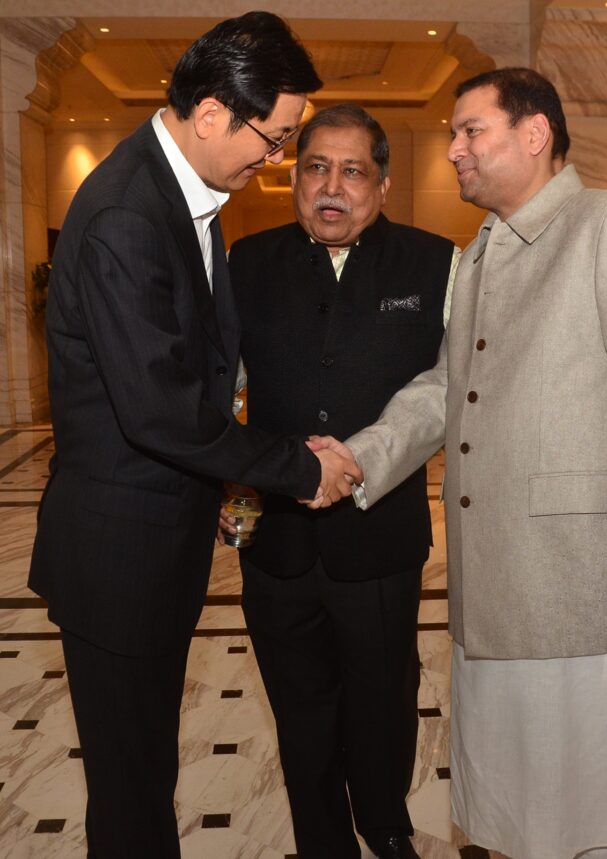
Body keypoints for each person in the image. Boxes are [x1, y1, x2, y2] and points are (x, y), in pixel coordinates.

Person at [323, 68, 607, 859]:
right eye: (452, 136)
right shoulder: (483, 253)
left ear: (534, 134)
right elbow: (448, 389)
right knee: (519, 807)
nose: (454, 152)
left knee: (584, 808)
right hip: (501, 590)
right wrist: (359, 459)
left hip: (590, 589)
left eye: (471, 131)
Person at [28, 14, 361, 859]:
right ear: (213, 113)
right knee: (133, 786)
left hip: (153, 545)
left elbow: (205, 371)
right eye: (276, 138)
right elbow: (161, 409)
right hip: (118, 558)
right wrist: (293, 467)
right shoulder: (128, 215)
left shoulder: (185, 199)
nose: (274, 158)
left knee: (144, 771)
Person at [222, 104, 458, 859]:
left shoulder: (436, 263)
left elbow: (448, 389)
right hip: (277, 542)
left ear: (382, 184)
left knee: (384, 698)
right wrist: (233, 496)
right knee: (300, 709)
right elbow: (225, 393)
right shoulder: (245, 262)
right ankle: (324, 841)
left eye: (352, 170)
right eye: (315, 167)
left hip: (379, 537)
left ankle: (386, 825)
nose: (332, 186)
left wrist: (361, 458)